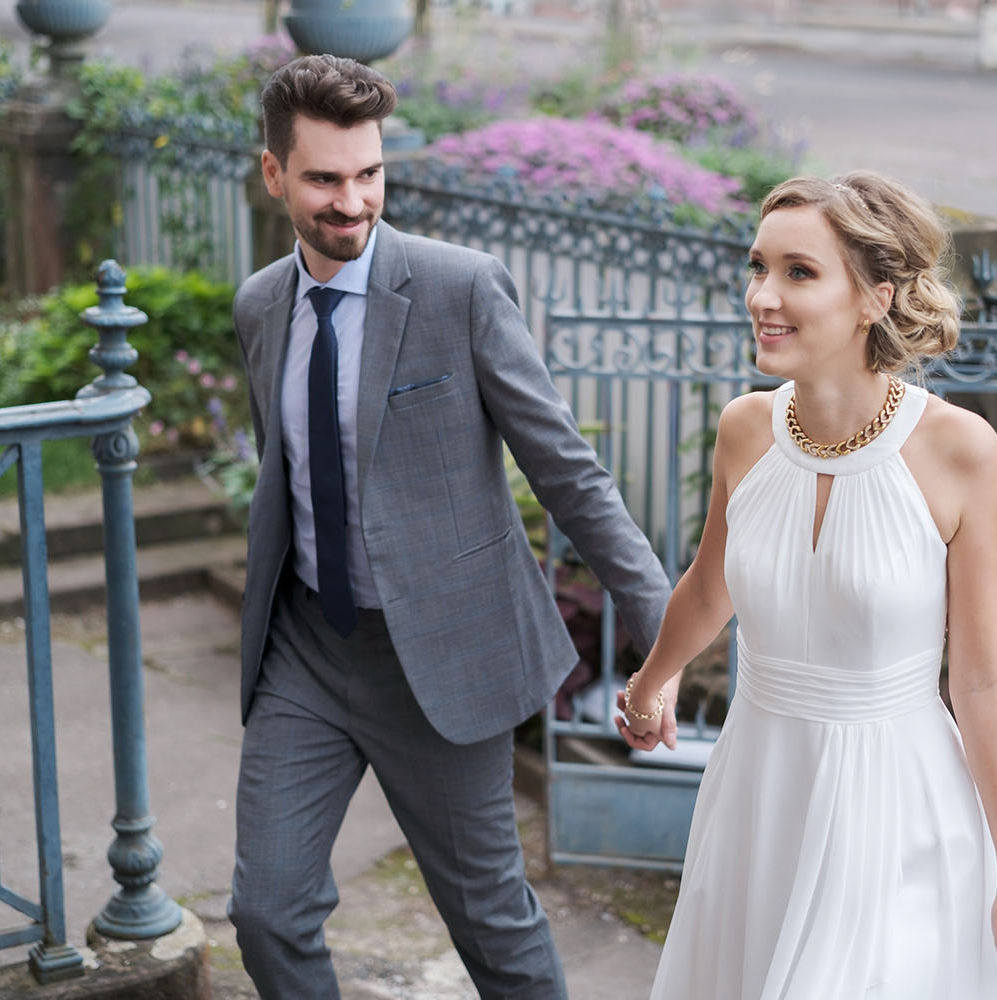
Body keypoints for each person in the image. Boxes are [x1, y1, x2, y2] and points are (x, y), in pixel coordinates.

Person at [226, 55, 676, 1000]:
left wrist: (663, 629)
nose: (353, 203)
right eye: (324, 180)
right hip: (305, 650)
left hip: (439, 654)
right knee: (266, 913)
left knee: (491, 923)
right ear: (274, 175)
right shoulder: (261, 306)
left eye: (369, 174)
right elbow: (288, 469)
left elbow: (564, 466)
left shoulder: (458, 288)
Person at [617, 171, 997, 999]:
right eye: (759, 267)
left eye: (799, 272)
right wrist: (649, 683)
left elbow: (984, 673)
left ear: (875, 298)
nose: (762, 296)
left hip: (896, 810)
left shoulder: (960, 451)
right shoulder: (745, 429)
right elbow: (710, 589)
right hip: (760, 791)